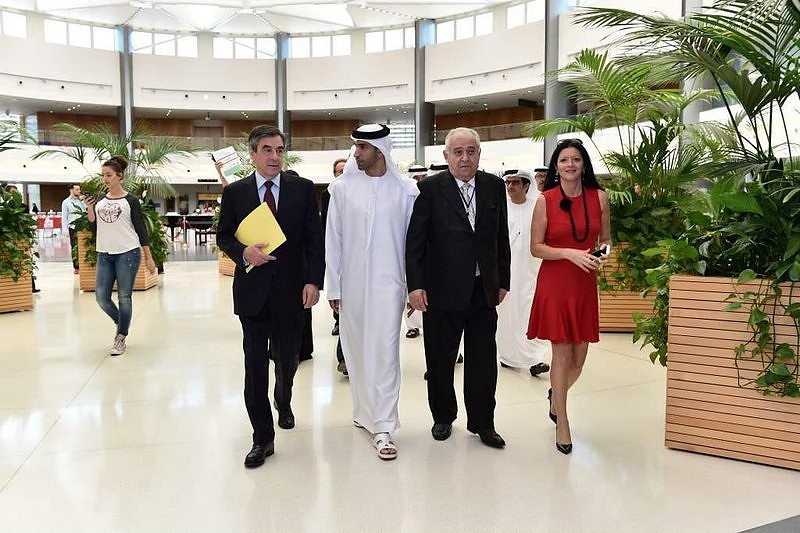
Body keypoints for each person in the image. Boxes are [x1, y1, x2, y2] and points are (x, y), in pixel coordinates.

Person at [216, 125, 324, 469]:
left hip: (292, 292)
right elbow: (223, 236)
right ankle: (262, 438)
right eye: (267, 150)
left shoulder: (302, 190)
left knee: (288, 359)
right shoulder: (236, 193)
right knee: (254, 367)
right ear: (252, 154)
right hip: (252, 294)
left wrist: (314, 281)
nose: (275, 156)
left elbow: (314, 240)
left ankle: (284, 397)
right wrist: (243, 252)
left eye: (279, 150)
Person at [406, 127, 511, 449]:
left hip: (483, 290)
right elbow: (415, 242)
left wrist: (502, 280)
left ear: (479, 154)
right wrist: (416, 285)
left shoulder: (494, 186)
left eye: (471, 151)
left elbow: (501, 237)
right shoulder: (429, 189)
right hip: (441, 290)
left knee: (483, 362)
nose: (465, 158)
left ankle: (483, 423)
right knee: (440, 359)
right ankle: (443, 416)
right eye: (458, 152)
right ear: (447, 155)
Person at [326, 124, 419, 460]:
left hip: (390, 285)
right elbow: (333, 240)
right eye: (356, 146)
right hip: (351, 287)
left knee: (385, 352)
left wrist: (412, 287)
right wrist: (333, 285)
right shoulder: (342, 189)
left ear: (380, 151)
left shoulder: (406, 190)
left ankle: (383, 425)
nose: (356, 153)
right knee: (356, 351)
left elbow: (412, 245)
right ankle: (364, 411)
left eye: (362, 147)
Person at [527, 139, 611, 455]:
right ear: (556, 166)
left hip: (584, 284)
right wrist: (569, 253)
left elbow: (606, 240)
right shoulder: (545, 200)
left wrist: (600, 257)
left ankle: (555, 396)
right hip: (556, 285)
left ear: (584, 164)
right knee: (561, 356)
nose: (570, 165)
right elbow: (536, 247)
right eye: (564, 160)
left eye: (576, 159)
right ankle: (562, 421)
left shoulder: (600, 197)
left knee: (578, 361)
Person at [85, 156, 157, 356]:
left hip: (128, 253)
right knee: (101, 297)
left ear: (119, 176)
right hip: (104, 253)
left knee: (124, 297)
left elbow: (140, 228)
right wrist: (90, 208)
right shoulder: (100, 199)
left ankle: (121, 337)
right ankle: (122, 322)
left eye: (109, 175)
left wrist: (149, 257)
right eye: (103, 175)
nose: (105, 179)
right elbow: (94, 227)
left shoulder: (131, 200)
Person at [497, 170, 550, 376]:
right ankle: (508, 357)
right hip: (506, 273)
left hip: (532, 271)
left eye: (515, 183)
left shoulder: (538, 207)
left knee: (530, 311)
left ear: (526, 186)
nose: (511, 187)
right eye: (508, 183)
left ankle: (535, 358)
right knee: (506, 315)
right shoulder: (501, 208)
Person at [321, 157, 348, 376]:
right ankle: (344, 358)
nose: (342, 174)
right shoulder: (330, 193)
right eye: (338, 171)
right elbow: (328, 228)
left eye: (344, 170)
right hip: (341, 261)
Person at [404, 164, 428, 340]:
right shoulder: (406, 194)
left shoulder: (430, 194)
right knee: (410, 287)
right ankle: (412, 326)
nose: (419, 181)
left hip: (429, 251)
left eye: (422, 177)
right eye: (416, 178)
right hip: (410, 248)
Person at [61, 184, 85, 274]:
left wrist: (84, 201)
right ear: (71, 190)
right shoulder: (66, 202)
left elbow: (86, 211)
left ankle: (84, 265)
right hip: (73, 227)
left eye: (79, 189)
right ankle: (76, 267)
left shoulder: (82, 201)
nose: (79, 191)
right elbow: (64, 217)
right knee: (75, 247)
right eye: (77, 189)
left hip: (83, 227)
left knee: (83, 246)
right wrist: (65, 230)